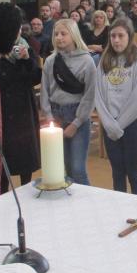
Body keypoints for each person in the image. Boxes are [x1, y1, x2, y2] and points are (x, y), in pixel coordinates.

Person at [95, 18, 137, 195]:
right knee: (117, 173)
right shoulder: (104, 61)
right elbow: (99, 96)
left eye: (120, 36)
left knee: (133, 173)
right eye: (113, 36)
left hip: (132, 125)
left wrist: (119, 125)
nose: (116, 40)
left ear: (129, 36)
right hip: (110, 125)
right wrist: (109, 123)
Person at [42, 19, 97, 186]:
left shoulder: (87, 61)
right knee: (64, 168)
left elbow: (90, 96)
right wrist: (49, 117)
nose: (59, 37)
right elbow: (45, 91)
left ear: (73, 36)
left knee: (78, 169)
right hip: (56, 115)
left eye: (63, 34)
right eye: (56, 34)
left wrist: (77, 122)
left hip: (77, 115)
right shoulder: (51, 61)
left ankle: (87, 206)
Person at [0, 26, 41, 192]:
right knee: (5, 156)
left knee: (24, 155)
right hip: (3, 109)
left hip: (24, 108)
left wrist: (26, 59)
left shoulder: (26, 48)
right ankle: (2, 194)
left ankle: (26, 190)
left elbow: (35, 77)